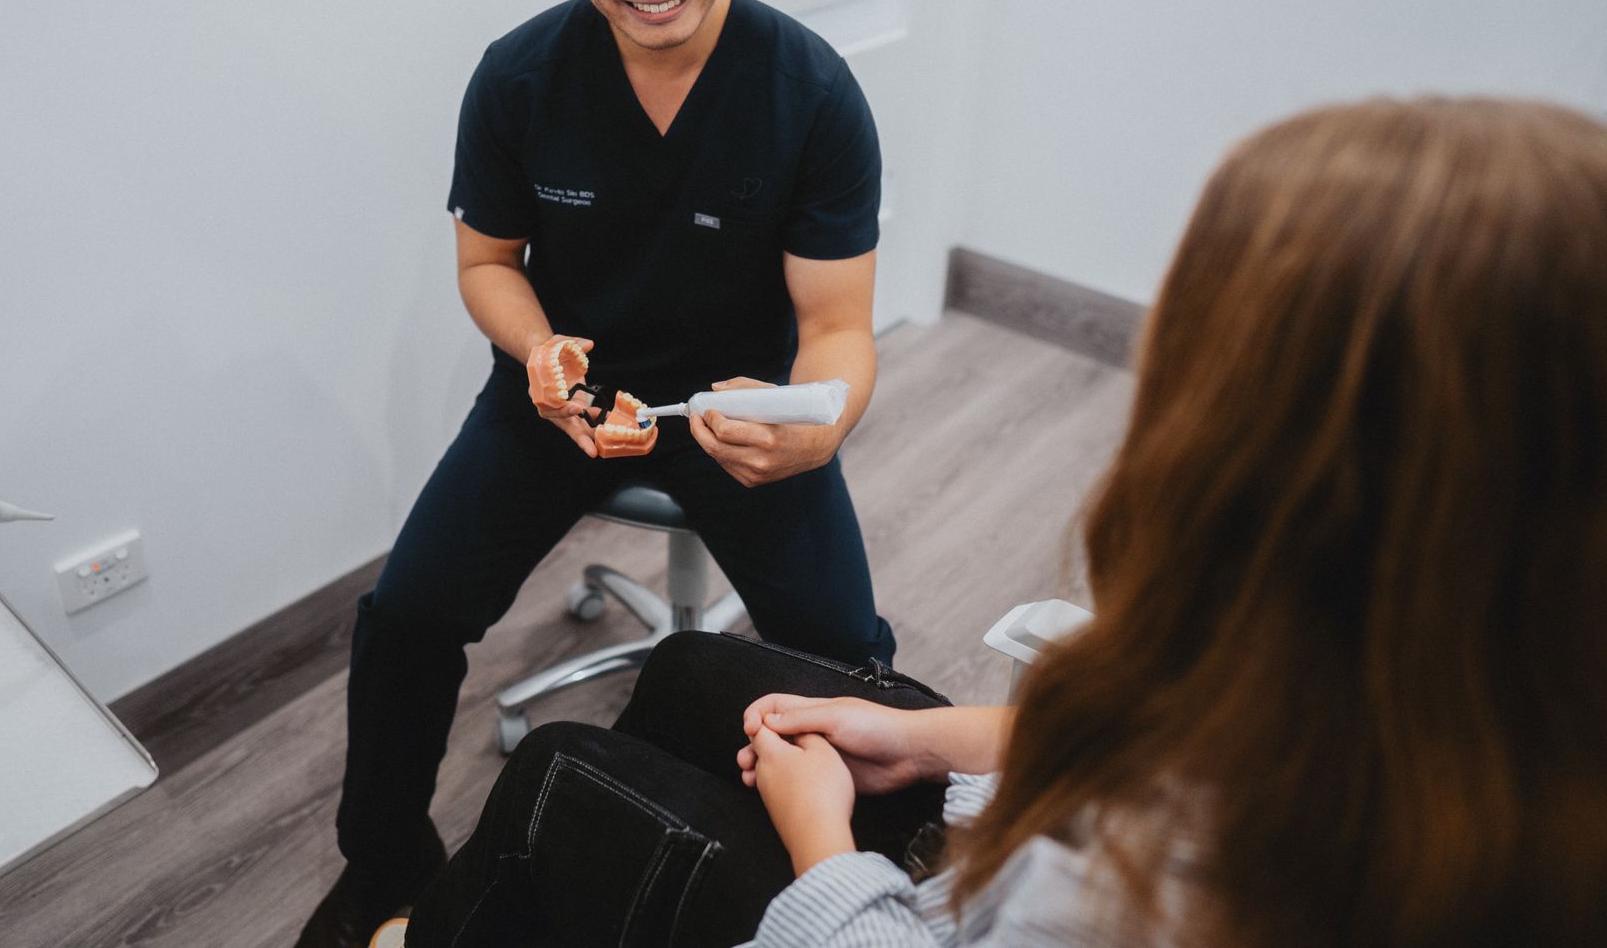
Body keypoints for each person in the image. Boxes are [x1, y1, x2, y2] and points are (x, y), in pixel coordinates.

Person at [396, 96, 1607, 947]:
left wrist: (826, 848)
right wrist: (930, 738)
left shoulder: (1166, 892)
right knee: (683, 670)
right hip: (982, 819)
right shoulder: (1397, 678)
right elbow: (1173, 729)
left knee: (558, 772)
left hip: (904, 906)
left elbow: (837, 331)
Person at [298, 0, 899, 947]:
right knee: (405, 616)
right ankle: (386, 863)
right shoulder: (520, 78)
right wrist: (537, 353)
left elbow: (838, 326)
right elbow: (487, 263)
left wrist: (821, 423)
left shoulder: (811, 94)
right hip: (557, 397)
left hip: (741, 410)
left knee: (850, 656)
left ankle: (851, 883)